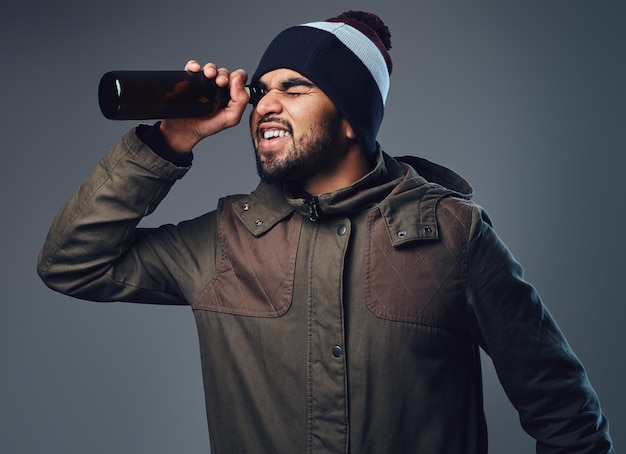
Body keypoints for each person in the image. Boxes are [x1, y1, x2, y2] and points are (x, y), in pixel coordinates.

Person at [37, 10, 613, 453]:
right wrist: (169, 141)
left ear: (350, 118)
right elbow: (71, 262)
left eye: (295, 87)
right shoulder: (222, 242)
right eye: (262, 89)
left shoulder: (452, 234)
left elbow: (562, 410)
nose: (265, 104)